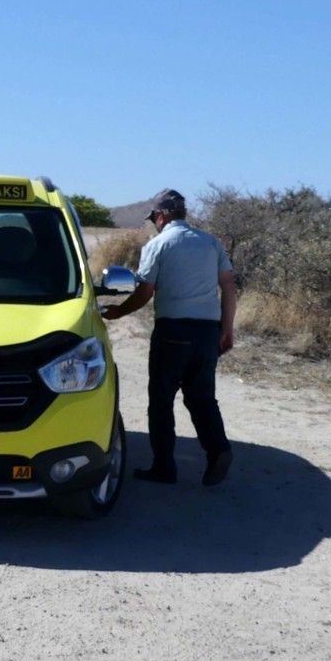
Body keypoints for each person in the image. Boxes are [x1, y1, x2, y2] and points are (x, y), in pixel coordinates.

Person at [101, 189, 237, 486]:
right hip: (207, 333)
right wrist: (227, 328)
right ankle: (219, 451)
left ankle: (164, 467)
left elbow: (144, 292)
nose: (154, 224)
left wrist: (116, 313)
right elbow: (228, 286)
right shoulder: (211, 243)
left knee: (161, 401)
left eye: (154, 219)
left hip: (173, 332)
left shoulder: (158, 244)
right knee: (202, 398)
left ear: (161, 216)